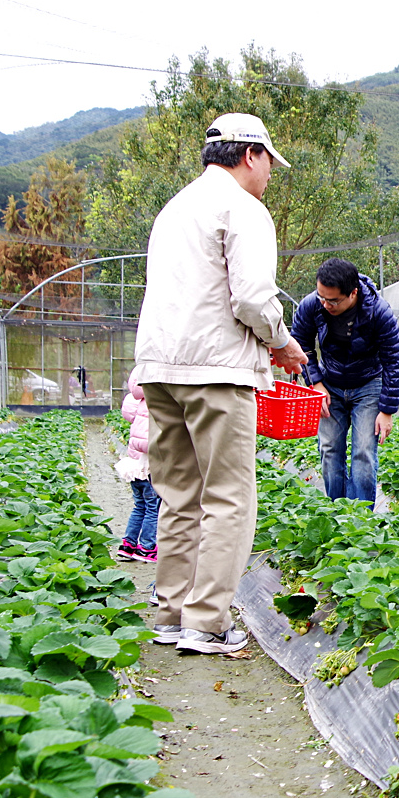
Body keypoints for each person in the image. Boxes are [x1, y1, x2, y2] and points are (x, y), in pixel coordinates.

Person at [135, 113, 309, 656]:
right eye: (270, 166)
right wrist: (281, 342)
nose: (269, 177)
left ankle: (169, 613)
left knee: (178, 494)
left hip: (161, 368)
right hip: (216, 370)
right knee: (229, 497)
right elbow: (254, 298)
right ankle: (207, 622)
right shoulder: (245, 209)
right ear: (250, 154)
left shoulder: (175, 207)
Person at [290, 257, 399, 504]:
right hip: (329, 382)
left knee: (364, 451)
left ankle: (361, 520)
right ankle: (336, 512)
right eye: (321, 296)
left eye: (332, 300)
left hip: (368, 384)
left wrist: (386, 410)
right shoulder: (312, 305)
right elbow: (300, 346)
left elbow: (393, 360)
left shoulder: (378, 311)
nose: (325, 304)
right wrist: (315, 383)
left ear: (352, 293)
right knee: (329, 449)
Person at [114, 368, 160, 565]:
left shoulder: (138, 399)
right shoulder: (159, 400)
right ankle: (147, 547)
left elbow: (128, 414)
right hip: (150, 463)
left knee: (139, 505)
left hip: (134, 462)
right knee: (153, 507)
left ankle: (128, 545)